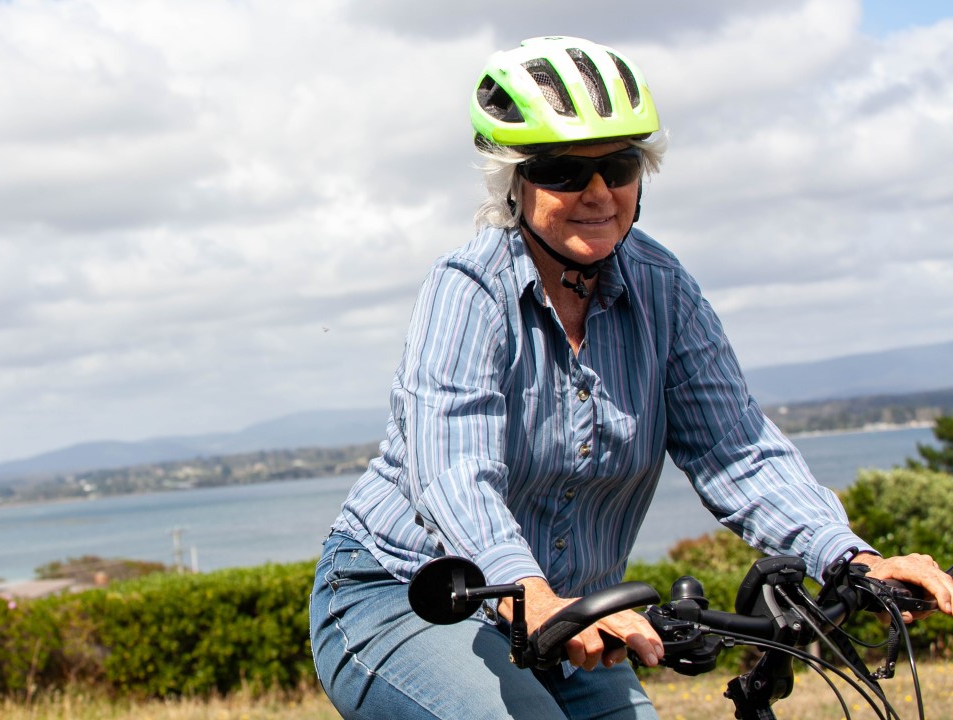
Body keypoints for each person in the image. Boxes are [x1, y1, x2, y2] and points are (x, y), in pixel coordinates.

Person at [308, 35, 953, 720]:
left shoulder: (663, 288)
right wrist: (530, 593)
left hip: (571, 617)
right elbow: (452, 472)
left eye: (617, 167)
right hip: (411, 595)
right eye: (561, 172)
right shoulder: (468, 289)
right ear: (515, 182)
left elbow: (736, 450)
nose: (596, 193)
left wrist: (849, 558)